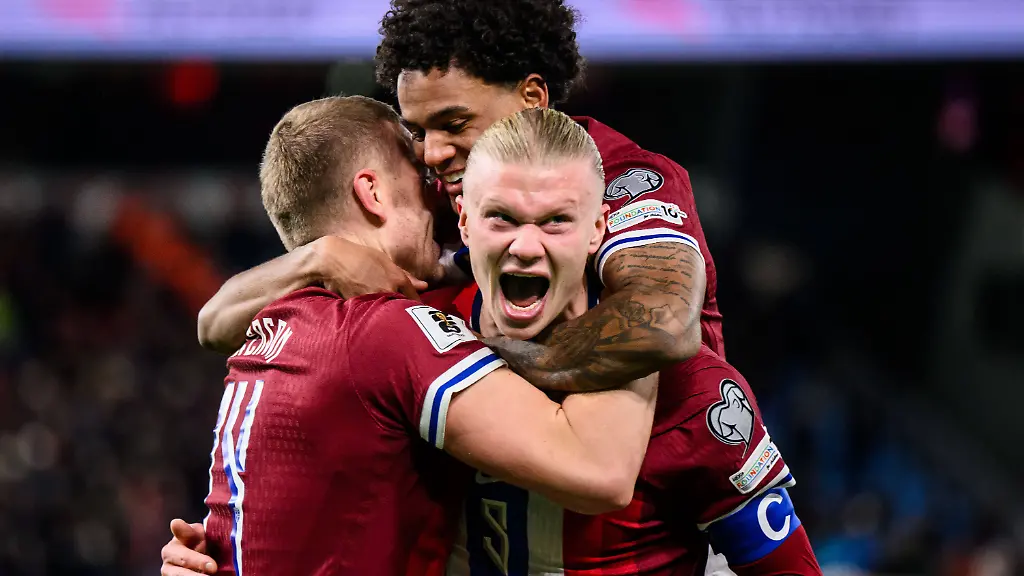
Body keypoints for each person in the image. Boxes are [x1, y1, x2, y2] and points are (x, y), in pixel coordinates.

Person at [166, 108, 821, 575]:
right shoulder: (409, 331)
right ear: (470, 227)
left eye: (556, 222)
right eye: (501, 219)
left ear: (598, 230)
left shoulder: (695, 394)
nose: (526, 245)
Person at [195, 0, 722, 395]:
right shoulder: (446, 208)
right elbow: (215, 324)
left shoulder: (626, 177)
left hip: (674, 521)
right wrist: (320, 258)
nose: (431, 154)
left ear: (532, 98)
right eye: (419, 131)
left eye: (454, 123)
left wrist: (457, 359)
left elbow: (664, 323)